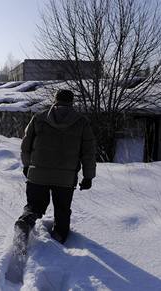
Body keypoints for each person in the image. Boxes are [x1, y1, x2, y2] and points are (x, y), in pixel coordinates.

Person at [15, 89, 96, 244]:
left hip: (38, 174)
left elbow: (26, 145)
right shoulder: (81, 122)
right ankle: (58, 240)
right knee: (62, 211)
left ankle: (25, 222)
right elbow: (88, 152)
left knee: (34, 206)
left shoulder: (39, 118)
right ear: (71, 101)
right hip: (65, 178)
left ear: (55, 100)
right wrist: (88, 176)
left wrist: (27, 166)